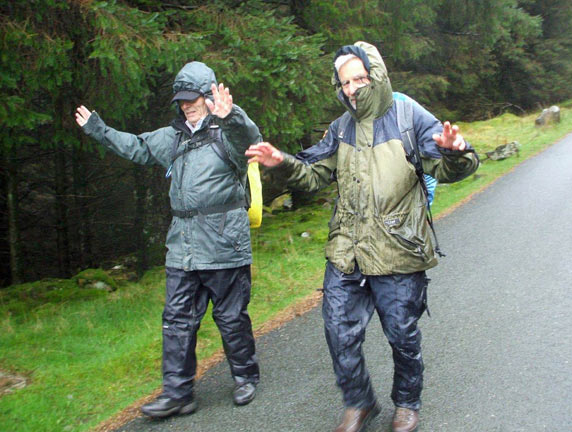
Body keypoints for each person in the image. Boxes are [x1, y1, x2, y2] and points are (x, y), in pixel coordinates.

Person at [246, 41, 479, 432]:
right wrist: (281, 162)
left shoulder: (408, 115)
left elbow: (450, 167)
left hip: (399, 248)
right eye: (346, 81)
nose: (353, 88)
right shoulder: (340, 127)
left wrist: (455, 151)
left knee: (402, 335)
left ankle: (406, 403)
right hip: (346, 249)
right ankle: (359, 402)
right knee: (338, 330)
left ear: (376, 74)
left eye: (359, 78)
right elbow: (313, 174)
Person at [74, 61, 261, 418]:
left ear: (208, 96)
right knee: (176, 320)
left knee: (231, 317)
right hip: (182, 247)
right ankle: (178, 394)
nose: (187, 105)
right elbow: (137, 147)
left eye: (193, 98)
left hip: (224, 244)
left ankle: (245, 377)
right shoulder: (173, 136)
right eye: (182, 100)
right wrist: (98, 129)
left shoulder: (228, 133)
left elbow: (251, 141)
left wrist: (231, 115)